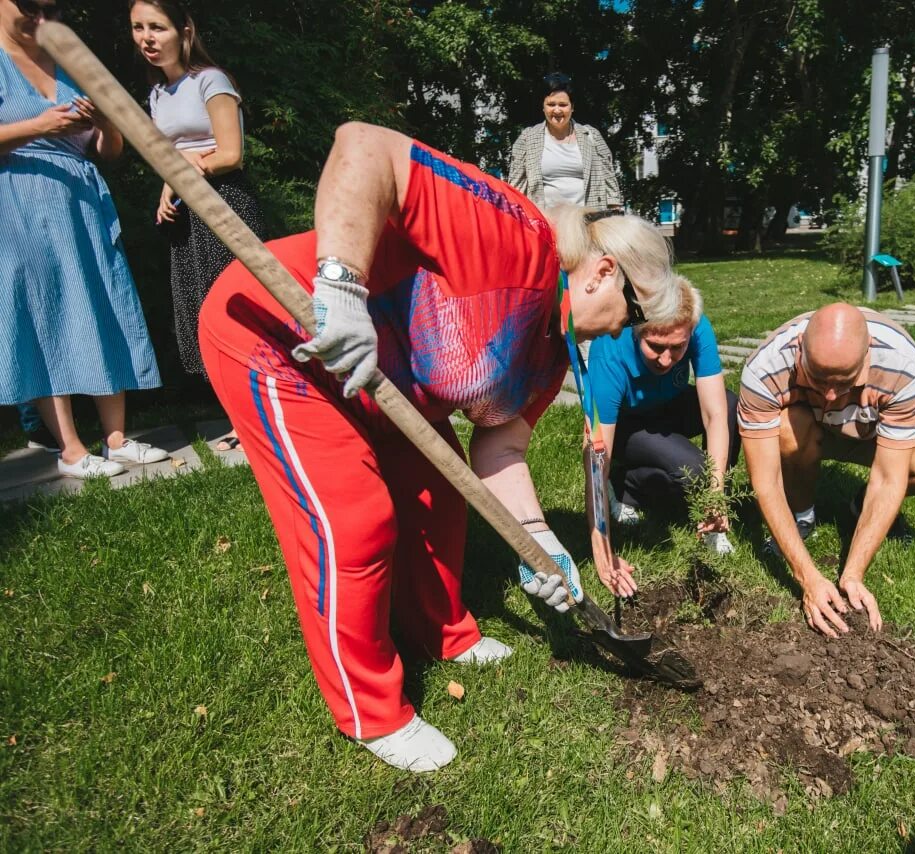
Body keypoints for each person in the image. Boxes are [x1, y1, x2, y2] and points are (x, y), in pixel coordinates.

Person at [199, 122, 685, 773]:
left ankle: (443, 634)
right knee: (353, 519)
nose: (622, 335)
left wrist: (537, 538)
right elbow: (362, 146)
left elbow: (502, 447)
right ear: (602, 273)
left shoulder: (550, 355)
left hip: (386, 382)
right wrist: (341, 288)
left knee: (441, 494)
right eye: (628, 317)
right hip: (281, 333)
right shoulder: (514, 235)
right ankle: (371, 712)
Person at [0, 0, 167, 478]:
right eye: (31, 5)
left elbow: (106, 152)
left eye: (49, 7)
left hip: (84, 201)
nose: (40, 14)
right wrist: (42, 125)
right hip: (20, 202)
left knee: (103, 303)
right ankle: (70, 449)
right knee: (46, 311)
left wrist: (108, 122)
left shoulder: (69, 62)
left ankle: (117, 440)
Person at [738, 304, 915, 638]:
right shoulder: (765, 366)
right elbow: (765, 480)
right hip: (808, 431)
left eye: (846, 381)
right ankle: (802, 516)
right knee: (786, 430)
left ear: (868, 355)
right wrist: (808, 577)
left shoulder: (903, 364)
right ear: (800, 350)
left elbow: (889, 478)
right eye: (818, 379)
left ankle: (860, 506)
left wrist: (853, 574)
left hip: (874, 435)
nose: (832, 396)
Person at [130, 0, 265, 452]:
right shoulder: (156, 95)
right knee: (202, 319)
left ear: (183, 30)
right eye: (138, 28)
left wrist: (184, 167)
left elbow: (230, 154)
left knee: (238, 314)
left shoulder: (211, 80)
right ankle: (239, 420)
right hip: (188, 213)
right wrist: (168, 188)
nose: (147, 38)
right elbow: (171, 161)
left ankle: (259, 419)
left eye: (157, 27)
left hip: (225, 205)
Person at [581, 272, 740, 556]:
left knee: (730, 406)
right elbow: (597, 450)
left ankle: (714, 513)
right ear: (637, 330)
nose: (666, 359)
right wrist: (600, 539)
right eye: (655, 346)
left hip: (668, 405)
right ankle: (624, 484)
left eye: (677, 347)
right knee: (691, 470)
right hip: (627, 425)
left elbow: (715, 415)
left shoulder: (696, 326)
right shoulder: (609, 352)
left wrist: (716, 494)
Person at [506, 72, 622, 211]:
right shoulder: (526, 138)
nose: (557, 110)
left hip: (588, 223)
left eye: (563, 104)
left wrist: (615, 211)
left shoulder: (592, 136)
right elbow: (515, 189)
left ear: (572, 107)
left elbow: (610, 184)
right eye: (551, 104)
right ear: (543, 107)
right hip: (545, 224)